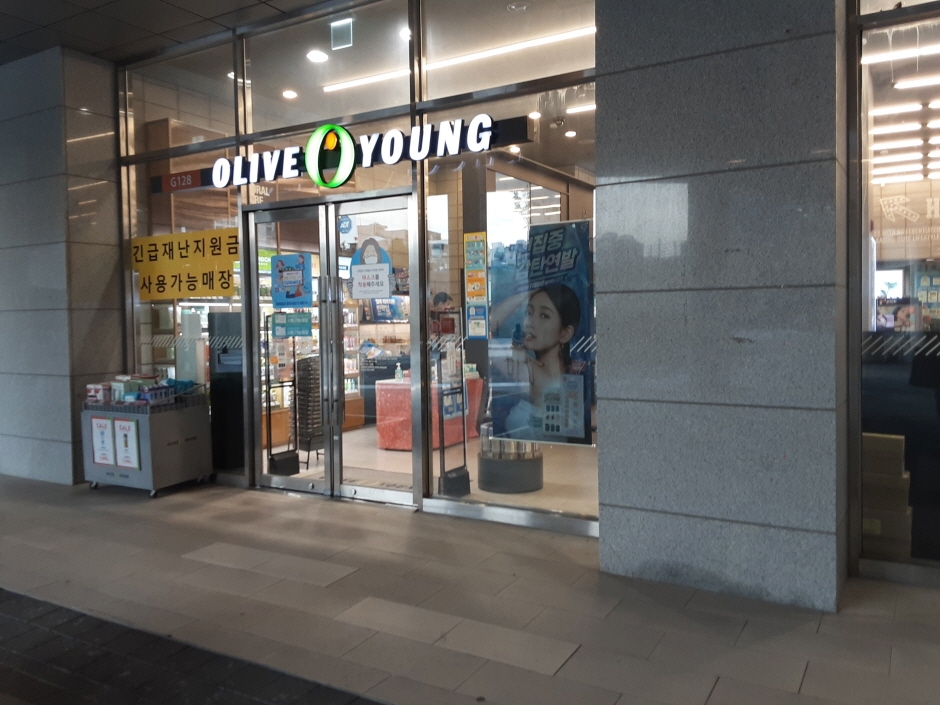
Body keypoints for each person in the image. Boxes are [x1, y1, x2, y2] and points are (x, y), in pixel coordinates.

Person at [503, 284, 581, 439]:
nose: (529, 323)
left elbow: (491, 321)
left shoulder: (535, 372)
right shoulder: (559, 374)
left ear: (565, 333)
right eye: (529, 312)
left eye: (544, 315)